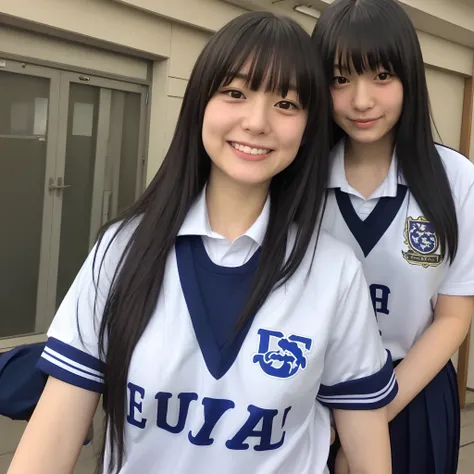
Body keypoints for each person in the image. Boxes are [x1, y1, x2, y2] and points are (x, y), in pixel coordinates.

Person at [8, 11, 397, 474]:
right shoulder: (122, 250)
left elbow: (368, 447)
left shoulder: (333, 271)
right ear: (200, 104)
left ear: (309, 127)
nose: (256, 122)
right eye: (235, 93)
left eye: (286, 104)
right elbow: (52, 439)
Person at [311, 1, 474, 473]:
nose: (361, 100)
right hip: (306, 394)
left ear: (410, 79)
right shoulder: (297, 178)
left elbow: (453, 318)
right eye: (340, 79)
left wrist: (369, 421)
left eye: (382, 76)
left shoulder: (455, 180)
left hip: (412, 393)